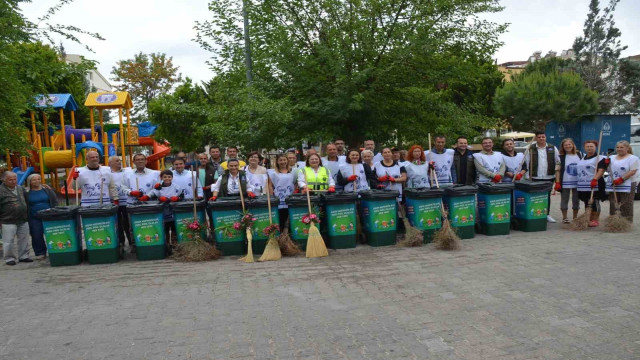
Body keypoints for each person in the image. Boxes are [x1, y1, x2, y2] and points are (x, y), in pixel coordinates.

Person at [524, 131, 561, 223]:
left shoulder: (552, 148)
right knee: (535, 196)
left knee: (547, 196)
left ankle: (547, 214)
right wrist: (527, 175)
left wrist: (557, 178)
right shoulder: (531, 148)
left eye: (543, 137)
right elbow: (526, 162)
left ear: (546, 137)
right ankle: (535, 213)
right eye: (539, 137)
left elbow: (558, 161)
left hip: (549, 176)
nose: (541, 138)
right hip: (535, 176)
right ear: (536, 138)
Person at [23, 174, 57, 260]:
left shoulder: (47, 190)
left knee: (52, 233)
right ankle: (40, 252)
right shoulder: (26, 192)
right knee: (36, 235)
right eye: (34, 180)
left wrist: (56, 212)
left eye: (38, 179)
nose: (37, 181)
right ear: (29, 182)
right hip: (34, 217)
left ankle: (55, 249)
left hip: (49, 216)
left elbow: (54, 201)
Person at [0, 171, 31, 265]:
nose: (13, 181)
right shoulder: (1, 190)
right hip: (8, 220)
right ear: (4, 180)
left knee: (24, 239)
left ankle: (24, 256)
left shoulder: (20, 188)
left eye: (15, 179)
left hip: (23, 218)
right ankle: (9, 258)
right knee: (8, 241)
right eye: (10, 179)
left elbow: (26, 199)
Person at [148, 170, 183, 249]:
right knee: (165, 228)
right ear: (161, 178)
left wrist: (177, 198)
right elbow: (153, 196)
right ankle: (167, 245)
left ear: (172, 177)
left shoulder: (176, 187)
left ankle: (175, 245)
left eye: (169, 177)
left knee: (174, 228)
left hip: (174, 211)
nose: (167, 178)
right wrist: (160, 198)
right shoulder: (158, 188)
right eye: (165, 177)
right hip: (163, 211)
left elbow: (182, 196)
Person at [606, 140, 639, 223]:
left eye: (621, 147)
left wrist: (621, 179)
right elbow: (607, 169)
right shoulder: (612, 157)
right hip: (614, 183)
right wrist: (605, 164)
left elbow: (633, 171)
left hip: (628, 183)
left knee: (626, 203)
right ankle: (614, 221)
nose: (619, 149)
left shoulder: (633, 158)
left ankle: (626, 222)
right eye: (617, 147)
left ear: (627, 148)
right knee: (613, 203)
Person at [576, 140, 607, 227]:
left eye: (591, 146)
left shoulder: (600, 158)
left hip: (595, 183)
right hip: (583, 184)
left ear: (595, 147)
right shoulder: (583, 158)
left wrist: (595, 179)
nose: (589, 148)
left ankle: (595, 219)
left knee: (594, 201)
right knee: (587, 202)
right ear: (584, 147)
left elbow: (601, 170)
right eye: (587, 146)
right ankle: (588, 217)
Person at [108, 156, 135, 252]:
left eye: (120, 160)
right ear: (110, 163)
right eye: (116, 161)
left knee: (128, 222)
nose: (119, 162)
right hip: (114, 201)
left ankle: (132, 242)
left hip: (127, 200)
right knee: (117, 222)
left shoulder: (127, 171)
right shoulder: (107, 173)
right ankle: (121, 241)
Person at [555, 138, 582, 223]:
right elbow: (557, 170)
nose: (568, 146)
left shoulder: (579, 154)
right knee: (564, 199)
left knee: (576, 199)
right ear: (563, 146)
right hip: (565, 181)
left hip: (577, 181)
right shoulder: (560, 156)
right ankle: (565, 217)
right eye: (565, 145)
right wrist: (557, 182)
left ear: (573, 145)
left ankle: (575, 217)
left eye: (569, 144)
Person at [268, 154, 296, 229]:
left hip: (290, 197)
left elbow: (295, 183)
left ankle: (289, 235)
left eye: (284, 160)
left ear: (287, 161)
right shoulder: (273, 173)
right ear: (277, 161)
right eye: (280, 160)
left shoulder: (293, 171)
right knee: (281, 217)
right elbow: (270, 186)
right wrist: (271, 197)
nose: (283, 162)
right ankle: (281, 235)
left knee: (290, 217)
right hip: (279, 198)